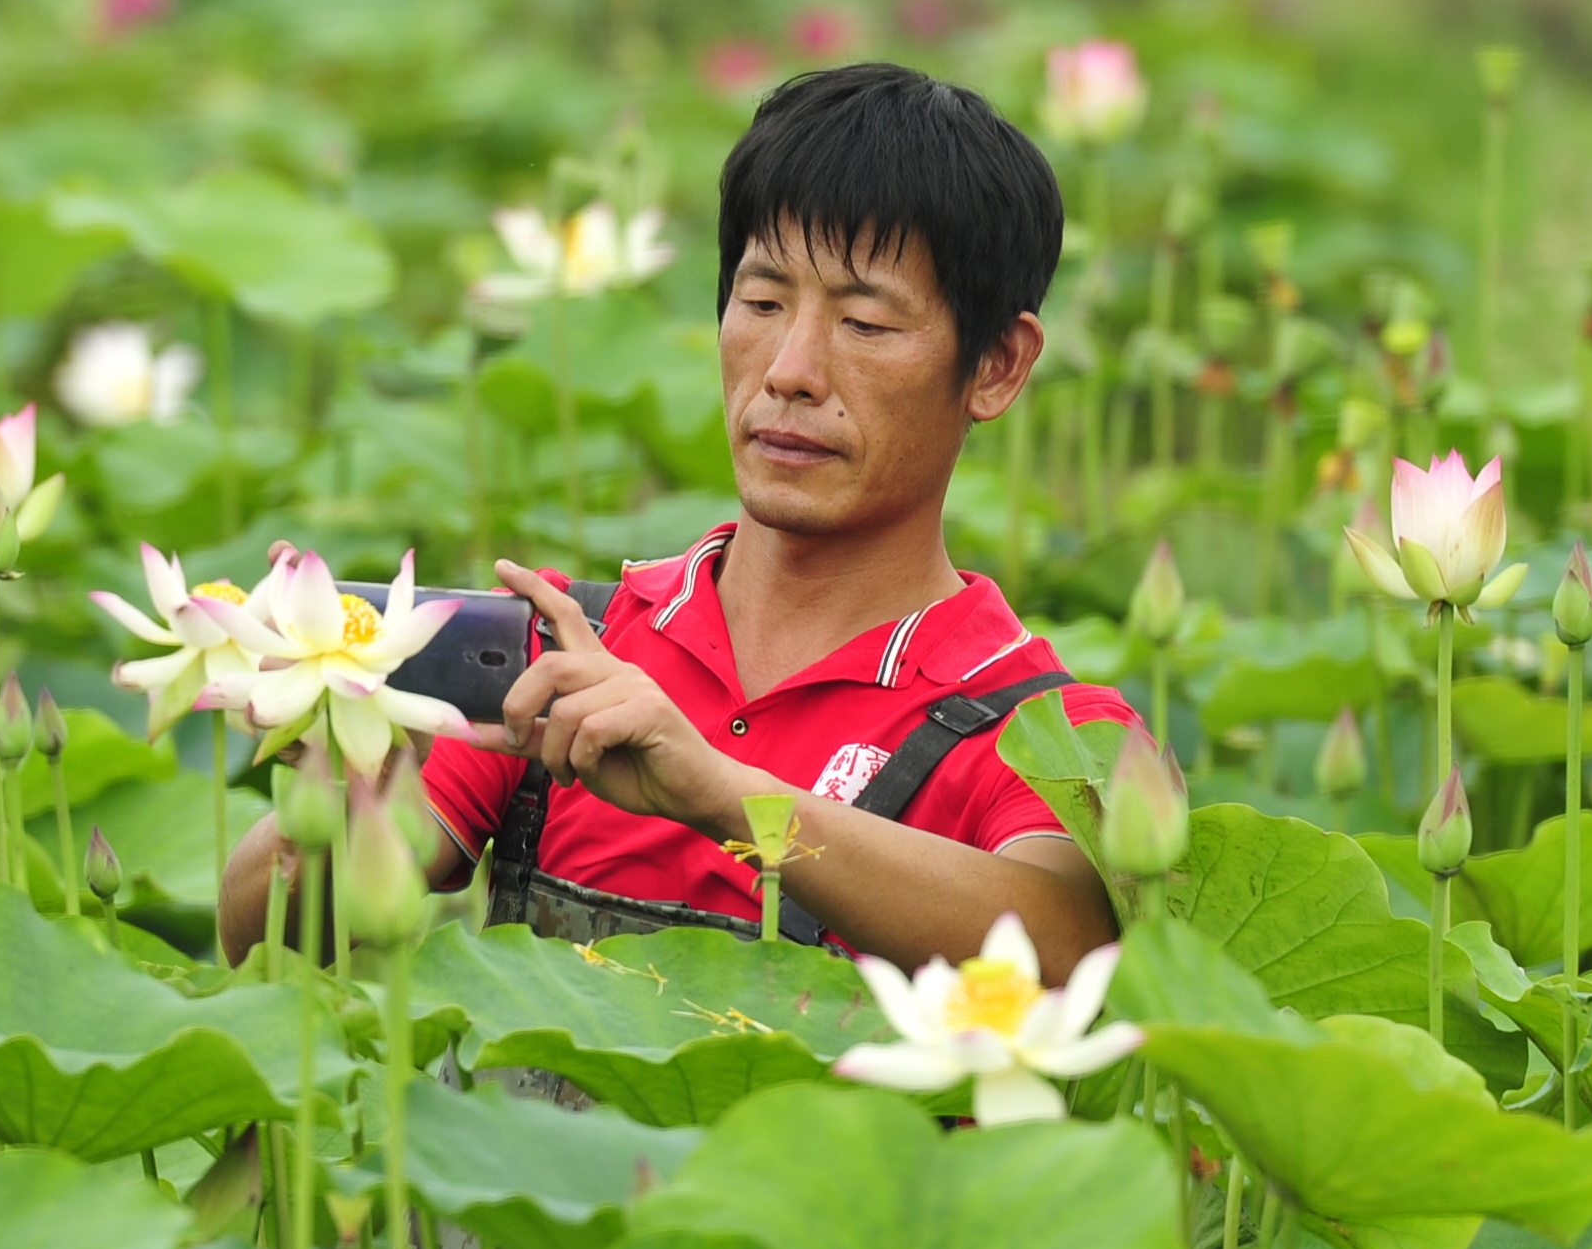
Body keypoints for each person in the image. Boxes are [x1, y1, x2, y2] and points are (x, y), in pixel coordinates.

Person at [219, 60, 1140, 977]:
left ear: (998, 366)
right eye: (763, 300)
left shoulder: (1042, 726)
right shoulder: (566, 651)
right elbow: (265, 943)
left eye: (864, 324)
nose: (789, 369)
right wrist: (341, 794)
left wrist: (720, 794)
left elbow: (1065, 949)